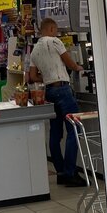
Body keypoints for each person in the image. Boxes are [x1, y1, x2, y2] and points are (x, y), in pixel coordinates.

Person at [28, 17, 86, 187]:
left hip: (49, 92)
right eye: (56, 30)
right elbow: (70, 63)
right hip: (63, 89)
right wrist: (78, 68)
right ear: (52, 29)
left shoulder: (34, 50)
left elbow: (32, 76)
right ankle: (70, 173)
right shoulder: (55, 42)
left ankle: (60, 172)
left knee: (55, 133)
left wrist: (47, 77)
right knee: (74, 129)